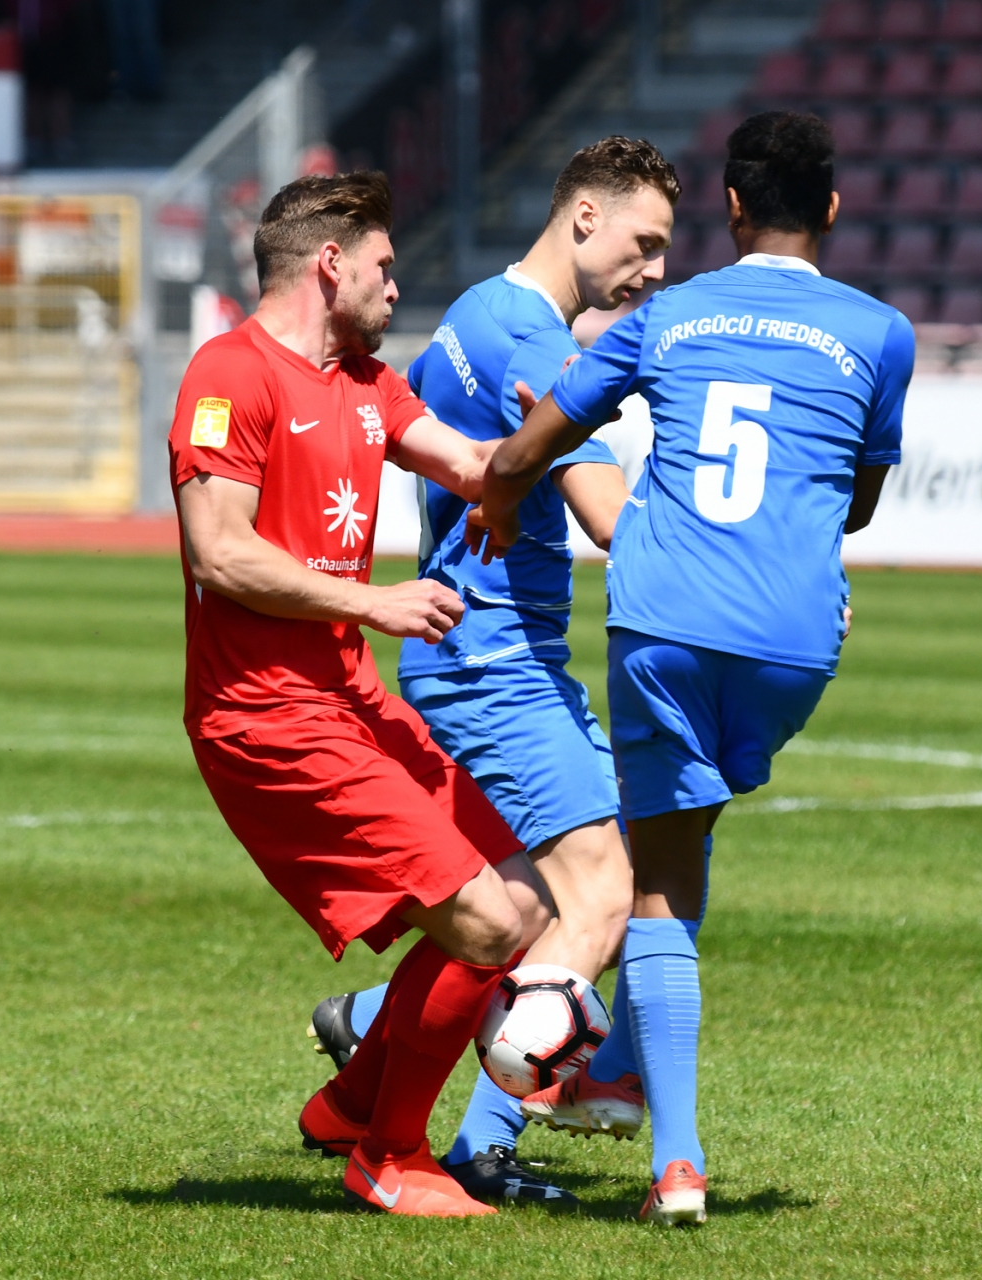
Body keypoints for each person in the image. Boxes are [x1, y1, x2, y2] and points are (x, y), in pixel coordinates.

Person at [469, 110, 910, 1226]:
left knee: (648, 881)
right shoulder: (880, 332)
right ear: (834, 210)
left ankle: (671, 1160)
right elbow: (853, 497)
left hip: (667, 621)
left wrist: (501, 486)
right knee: (680, 849)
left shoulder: (667, 314)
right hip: (796, 641)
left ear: (728, 206)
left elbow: (547, 433)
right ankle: (588, 1080)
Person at [168, 171, 557, 1218]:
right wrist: (372, 601)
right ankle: (391, 1153)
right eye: (386, 266)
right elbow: (218, 553)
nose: (399, 286)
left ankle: (350, 1101)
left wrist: (542, 440)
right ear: (330, 263)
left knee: (519, 894)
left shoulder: (367, 381)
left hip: (349, 702)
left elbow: (472, 464)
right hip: (267, 717)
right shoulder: (228, 374)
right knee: (481, 920)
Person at [302, 136, 680, 1210]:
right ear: (584, 220)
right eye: (644, 244)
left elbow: (411, 435)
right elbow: (615, 524)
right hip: (494, 664)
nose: (654, 271)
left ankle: (370, 1040)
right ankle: (477, 1142)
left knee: (514, 909)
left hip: (477, 654)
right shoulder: (535, 349)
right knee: (602, 893)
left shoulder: (473, 311)